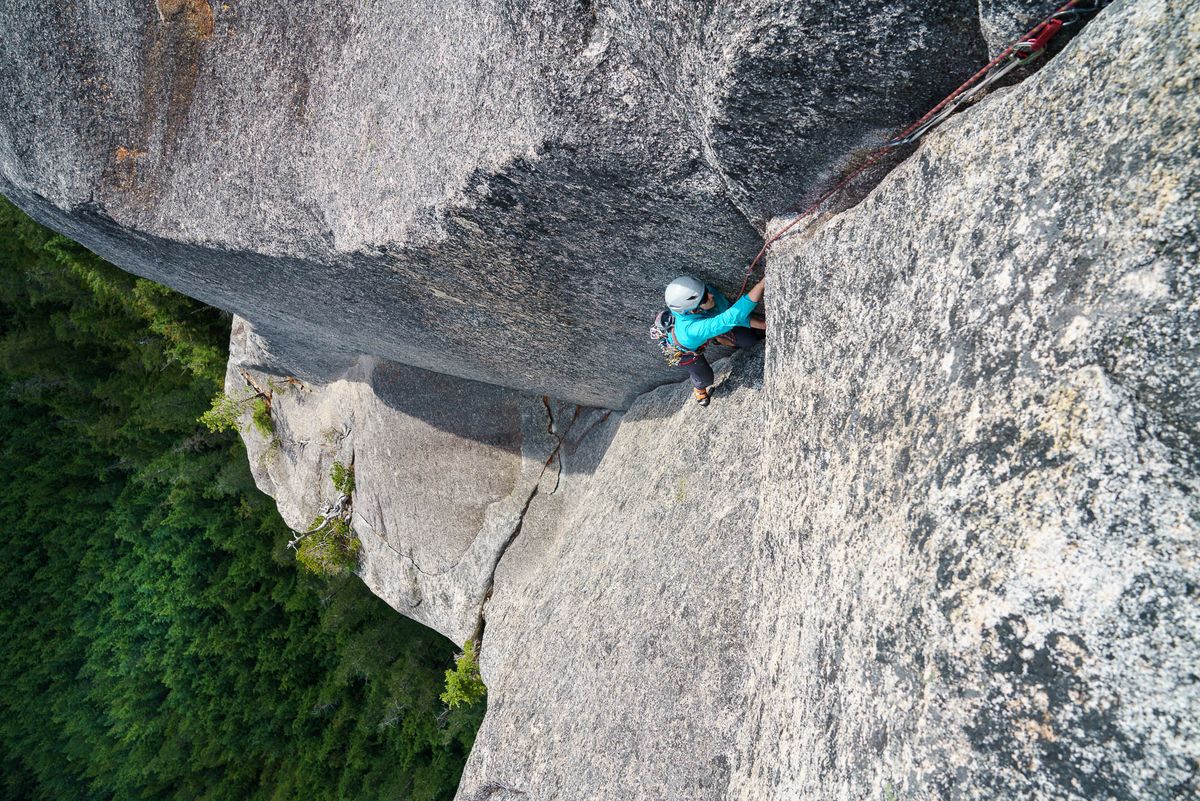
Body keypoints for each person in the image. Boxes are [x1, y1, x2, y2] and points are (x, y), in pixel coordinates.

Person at [664, 275, 766, 406]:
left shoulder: (694, 299)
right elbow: (730, 318)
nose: (711, 294)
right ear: (694, 310)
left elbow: (728, 313)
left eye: (705, 291)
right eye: (705, 297)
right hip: (684, 352)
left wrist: (761, 325)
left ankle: (718, 336)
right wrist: (761, 285)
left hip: (705, 326)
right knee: (706, 378)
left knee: (749, 339)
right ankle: (699, 388)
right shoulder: (691, 331)